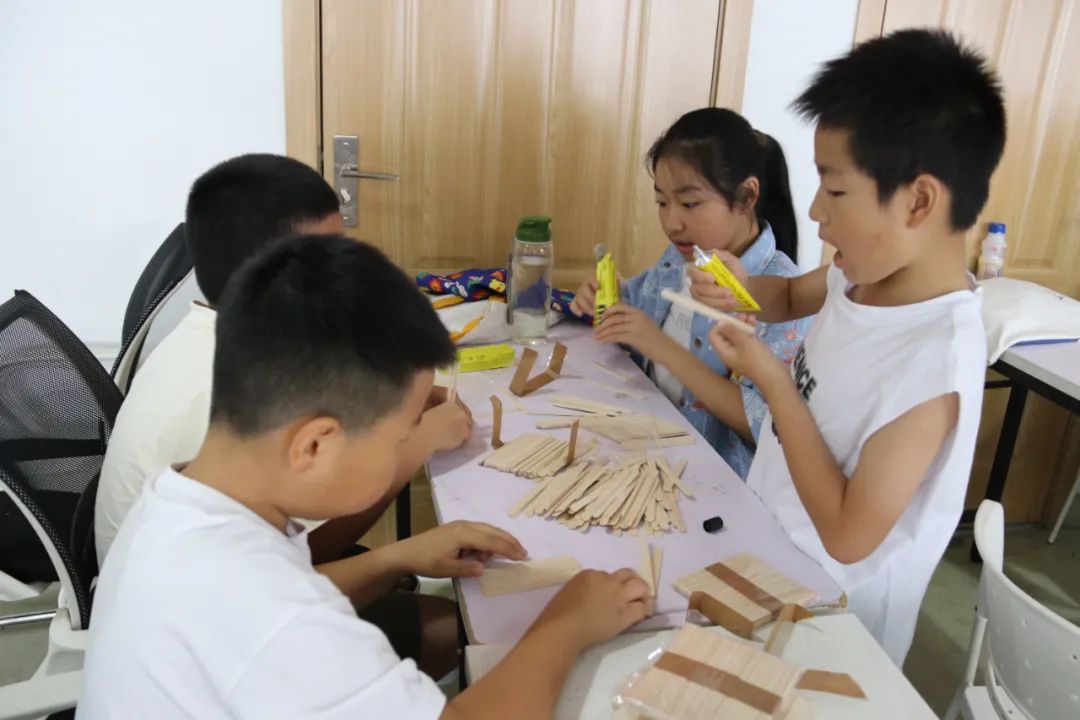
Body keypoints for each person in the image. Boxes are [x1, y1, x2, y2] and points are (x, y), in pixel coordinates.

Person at [78, 234, 650, 719]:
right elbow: (281, 620)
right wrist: (568, 624)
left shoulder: (176, 500)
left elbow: (281, 599)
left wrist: (397, 558)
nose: (408, 447)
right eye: (401, 435)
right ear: (316, 444)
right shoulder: (279, 621)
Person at [94, 154, 473, 673]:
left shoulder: (223, 342)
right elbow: (307, 553)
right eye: (323, 259)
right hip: (202, 634)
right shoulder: (226, 394)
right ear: (270, 272)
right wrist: (416, 447)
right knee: (459, 631)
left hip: (204, 599)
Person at [697, 29, 1005, 664]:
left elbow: (846, 534)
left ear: (919, 201)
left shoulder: (936, 361)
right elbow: (786, 296)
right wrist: (736, 284)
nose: (815, 211)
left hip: (835, 621)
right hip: (773, 552)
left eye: (835, 190)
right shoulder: (856, 274)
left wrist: (773, 381)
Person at [571, 108, 810, 478]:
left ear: (747, 197)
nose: (671, 223)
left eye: (689, 204)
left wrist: (659, 346)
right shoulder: (678, 257)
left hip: (709, 483)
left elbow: (770, 427)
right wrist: (606, 298)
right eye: (662, 202)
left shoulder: (783, 298)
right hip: (641, 448)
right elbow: (637, 309)